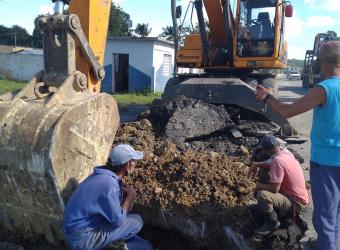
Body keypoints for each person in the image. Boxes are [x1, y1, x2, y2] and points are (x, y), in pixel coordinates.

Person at [255, 41, 340, 250]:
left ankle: (325, 246)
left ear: (321, 62)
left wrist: (266, 96)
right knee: (337, 212)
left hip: (327, 162)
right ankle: (326, 244)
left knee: (325, 215)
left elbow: (287, 111)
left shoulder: (325, 89)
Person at [63, 144, 153, 250]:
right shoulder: (109, 185)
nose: (135, 164)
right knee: (137, 221)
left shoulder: (102, 176)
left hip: (80, 232)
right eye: (134, 161)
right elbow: (119, 221)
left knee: (146, 247)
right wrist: (130, 196)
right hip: (82, 238)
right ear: (128, 165)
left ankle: (113, 245)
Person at [249, 135, 309, 237]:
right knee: (266, 173)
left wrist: (259, 185)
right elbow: (269, 163)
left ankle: (272, 222)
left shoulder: (277, 161)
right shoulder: (286, 153)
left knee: (263, 195)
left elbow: (274, 189)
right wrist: (256, 164)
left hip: (296, 203)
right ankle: (275, 209)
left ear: (265, 150)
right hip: (301, 197)